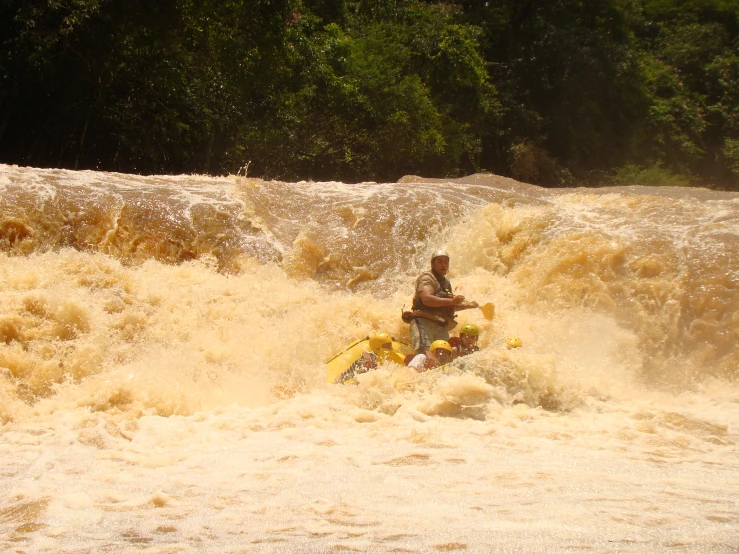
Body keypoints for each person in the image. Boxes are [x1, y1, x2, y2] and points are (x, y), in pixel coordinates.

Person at [404, 249, 479, 354]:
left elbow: (450, 305)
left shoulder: (446, 283)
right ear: (432, 264)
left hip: (440, 325)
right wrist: (453, 300)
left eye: (445, 262)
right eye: (439, 261)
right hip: (423, 322)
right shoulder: (427, 277)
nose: (443, 264)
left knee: (445, 357)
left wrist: (469, 305)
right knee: (425, 354)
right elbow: (427, 299)